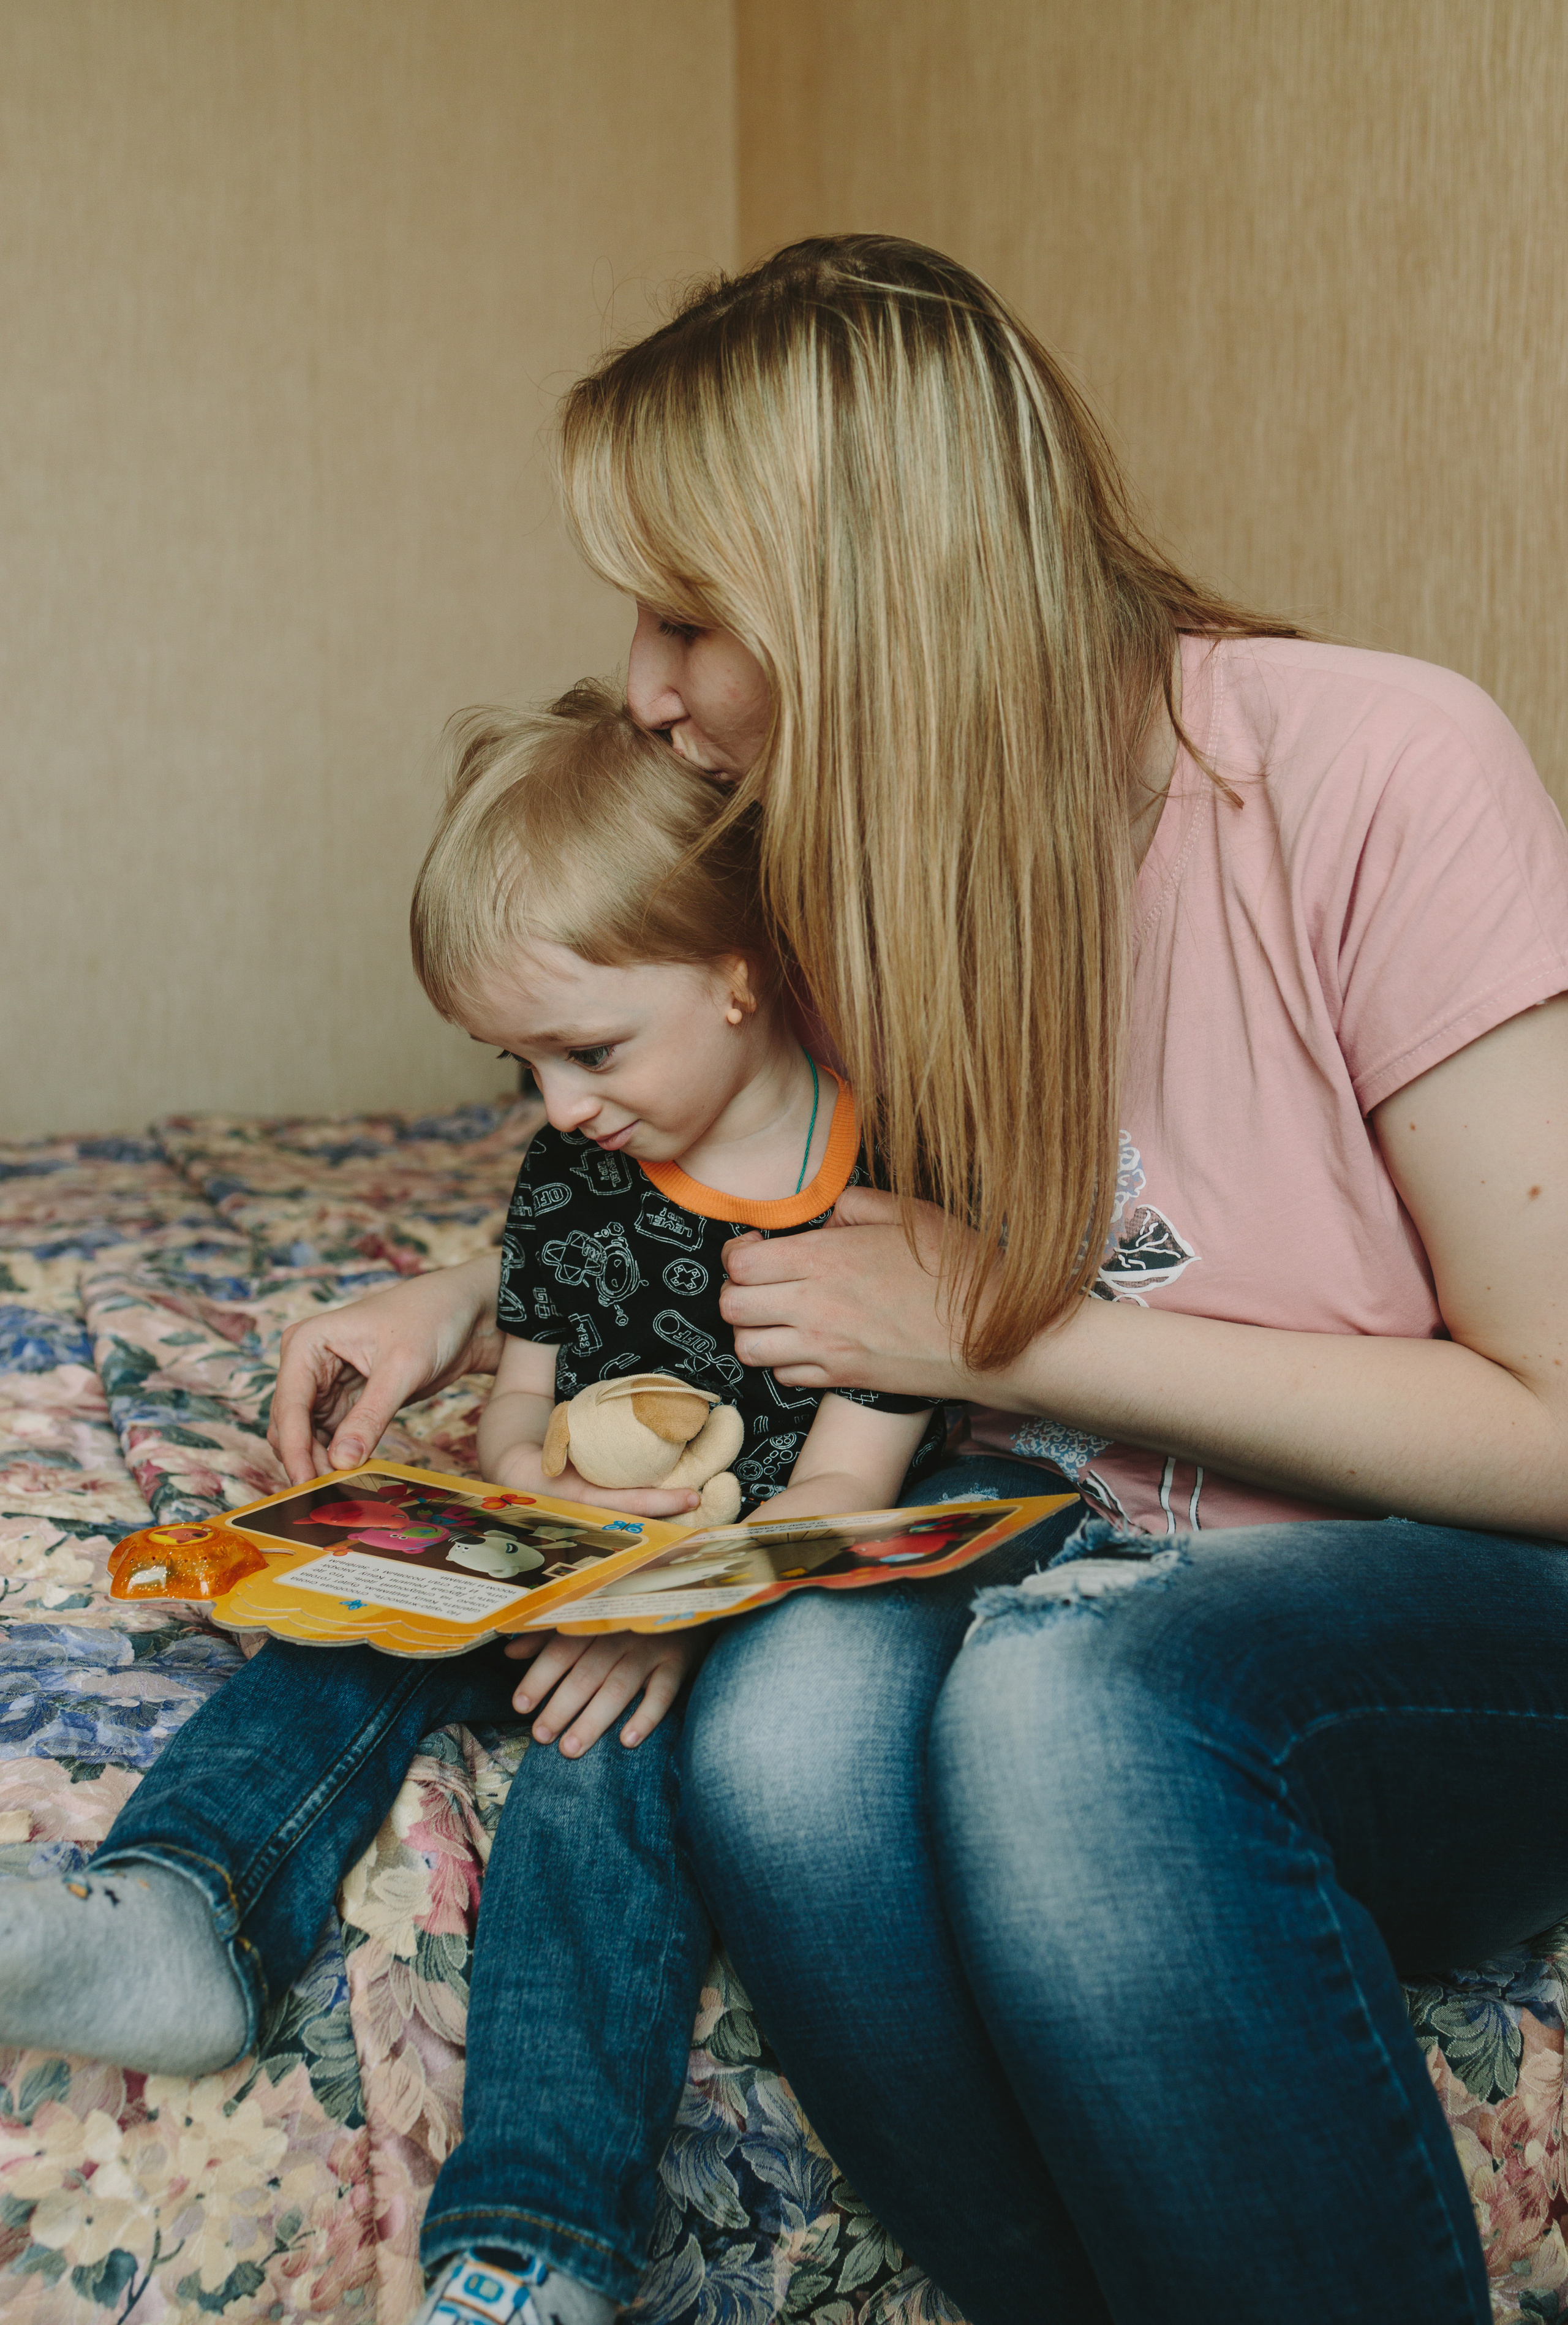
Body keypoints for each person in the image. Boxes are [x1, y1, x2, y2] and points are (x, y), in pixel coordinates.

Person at [265, 235, 1568, 2322]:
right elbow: (719, 1127)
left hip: (1457, 1600)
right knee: (773, 1727)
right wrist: (459, 1294)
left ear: (867, 581)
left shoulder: (1376, 771)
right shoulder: (853, 845)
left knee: (1065, 1702)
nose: (645, 684)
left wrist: (1021, 1331)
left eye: (691, 611)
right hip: (1048, 1531)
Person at [0, 679, 949, 2325]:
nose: (558, 1106)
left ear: (737, 979)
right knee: (330, 1642)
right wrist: (523, 1505)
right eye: (516, 1065)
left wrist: (669, 1608)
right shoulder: (578, 1178)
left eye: (589, 1050)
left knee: (605, 1799)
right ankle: (181, 1914)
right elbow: (517, 1415)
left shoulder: (877, 1195)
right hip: (570, 1568)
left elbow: (853, 1490)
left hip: (730, 1611)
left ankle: (530, 2241)